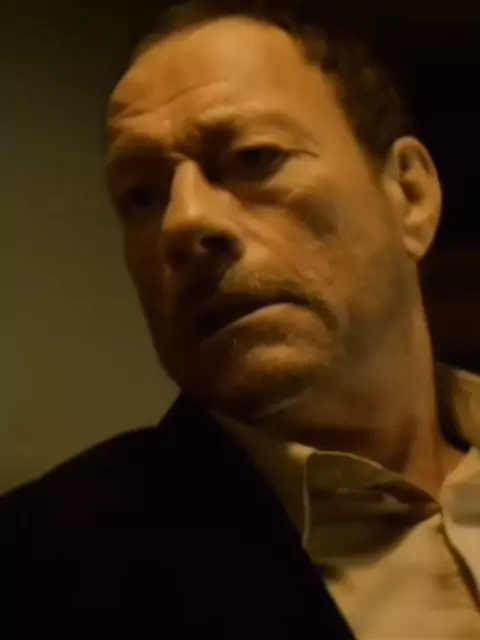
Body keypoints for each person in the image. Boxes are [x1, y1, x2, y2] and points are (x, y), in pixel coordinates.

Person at [2, 1, 480, 638]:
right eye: (141, 197)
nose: (183, 222)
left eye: (254, 158)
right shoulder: (36, 572)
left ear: (409, 195)